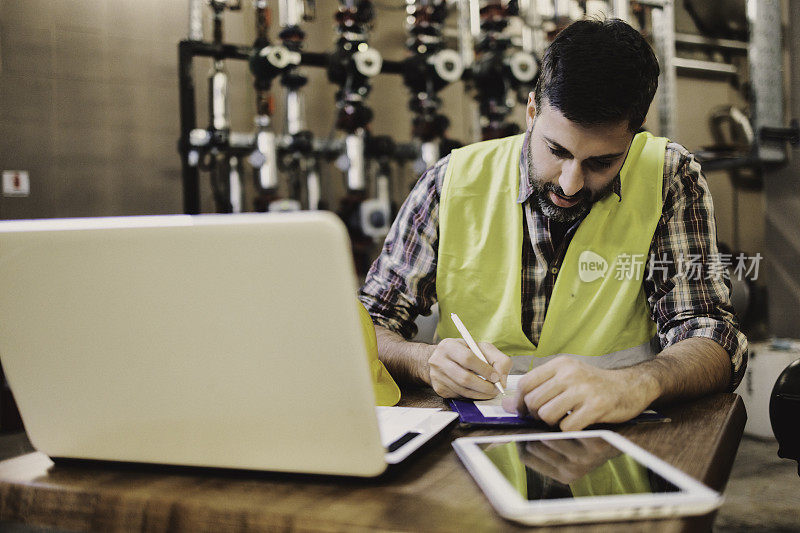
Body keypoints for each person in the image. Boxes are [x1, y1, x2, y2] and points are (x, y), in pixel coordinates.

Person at [358, 18, 747, 431]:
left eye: (602, 162)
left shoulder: (669, 177)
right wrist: (424, 360)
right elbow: (367, 327)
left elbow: (713, 335)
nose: (571, 182)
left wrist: (635, 383)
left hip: (618, 436)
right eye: (556, 150)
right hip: (471, 443)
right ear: (531, 111)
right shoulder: (451, 181)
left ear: (633, 136)